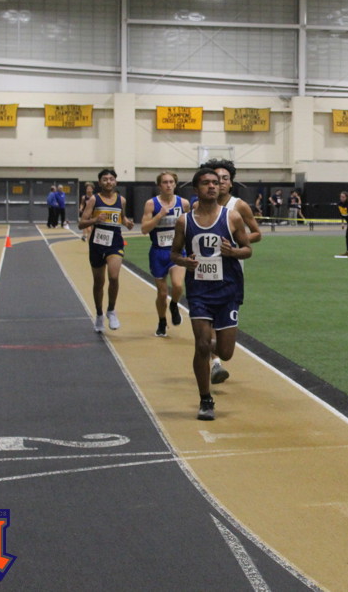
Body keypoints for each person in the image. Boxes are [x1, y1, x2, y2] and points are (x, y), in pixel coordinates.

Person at [170, 168, 252, 421]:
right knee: (202, 344)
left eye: (215, 182)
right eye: (206, 183)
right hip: (200, 292)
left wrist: (234, 253)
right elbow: (174, 253)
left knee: (225, 352)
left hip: (228, 291)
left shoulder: (232, 217)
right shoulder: (184, 221)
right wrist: (184, 262)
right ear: (196, 189)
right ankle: (205, 399)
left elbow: (248, 249)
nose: (212, 186)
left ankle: (213, 349)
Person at [198, 158, 263, 384]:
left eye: (225, 178)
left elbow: (257, 233)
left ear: (231, 183)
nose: (221, 182)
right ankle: (215, 363)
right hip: (205, 270)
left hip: (231, 270)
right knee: (207, 318)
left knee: (222, 327)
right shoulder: (198, 206)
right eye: (217, 178)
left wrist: (236, 243)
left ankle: (210, 350)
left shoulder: (239, 206)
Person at [78, 168, 135, 333]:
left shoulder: (121, 200)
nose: (108, 182)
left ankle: (111, 310)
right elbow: (81, 224)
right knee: (99, 282)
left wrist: (127, 223)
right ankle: (99, 314)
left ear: (115, 181)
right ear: (100, 182)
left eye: (111, 179)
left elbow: (122, 217)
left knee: (114, 276)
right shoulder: (94, 200)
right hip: (97, 243)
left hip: (115, 243)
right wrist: (95, 219)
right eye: (105, 179)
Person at [140, 171, 190, 337]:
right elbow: (144, 229)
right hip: (158, 252)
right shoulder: (151, 204)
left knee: (177, 285)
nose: (168, 185)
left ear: (175, 184)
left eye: (171, 182)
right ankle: (162, 321)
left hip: (177, 251)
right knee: (162, 294)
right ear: (159, 185)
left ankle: (174, 305)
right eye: (165, 182)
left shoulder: (183, 203)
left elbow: (189, 226)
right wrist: (159, 215)